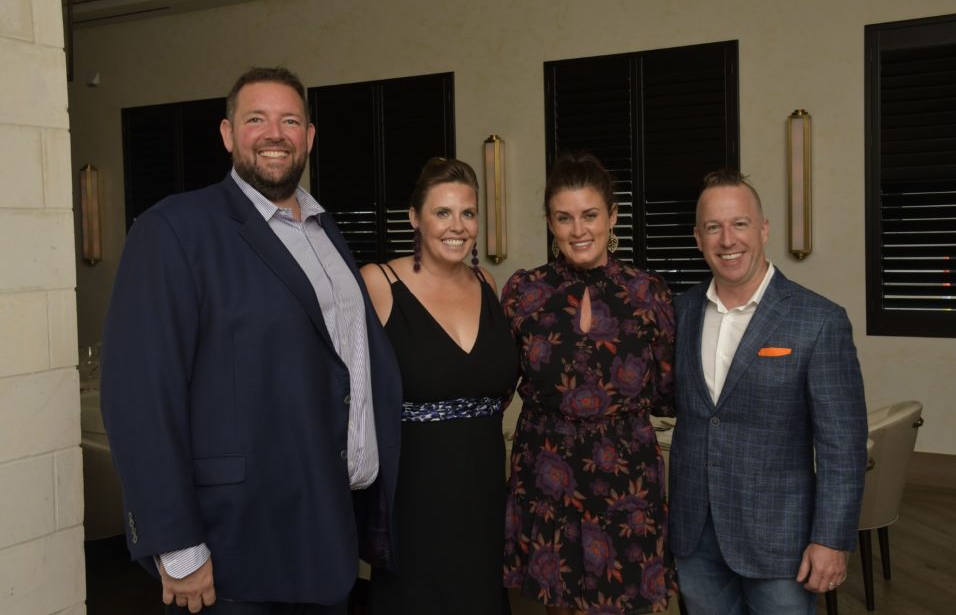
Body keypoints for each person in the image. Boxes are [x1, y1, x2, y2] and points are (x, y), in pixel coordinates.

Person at [100, 66, 402, 614]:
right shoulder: (174, 230)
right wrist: (177, 544)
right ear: (226, 133)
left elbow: (344, 366)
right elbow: (140, 396)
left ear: (309, 137)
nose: (274, 134)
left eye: (290, 120)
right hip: (233, 547)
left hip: (325, 536)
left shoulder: (326, 232)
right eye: (255, 119)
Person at [669, 168, 868, 614]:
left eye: (739, 224)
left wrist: (831, 539)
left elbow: (843, 447)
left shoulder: (818, 321)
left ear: (763, 229)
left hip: (782, 542)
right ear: (697, 238)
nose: (727, 240)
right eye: (713, 227)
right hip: (695, 535)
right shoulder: (678, 313)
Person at [501, 152, 677, 615]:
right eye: (564, 218)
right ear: (550, 223)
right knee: (558, 605)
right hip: (546, 468)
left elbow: (668, 388)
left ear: (612, 216)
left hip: (625, 471)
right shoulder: (524, 292)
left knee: (625, 601)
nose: (578, 230)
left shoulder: (648, 293)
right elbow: (496, 384)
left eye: (590, 215)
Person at [360, 157, 518, 614]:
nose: (458, 226)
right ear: (414, 217)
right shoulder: (378, 283)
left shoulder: (488, 283)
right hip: (414, 491)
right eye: (442, 212)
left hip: (484, 486)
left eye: (468, 213)